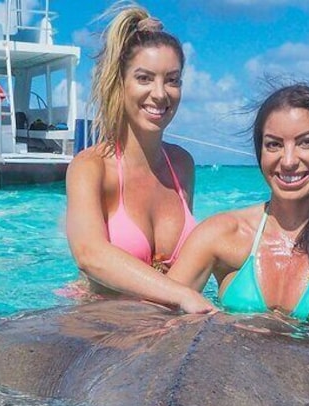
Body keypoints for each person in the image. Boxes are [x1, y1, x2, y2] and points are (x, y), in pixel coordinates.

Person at [167, 83, 309, 327]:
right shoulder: (220, 233)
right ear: (260, 152)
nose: (288, 161)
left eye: (306, 142)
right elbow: (156, 315)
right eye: (274, 144)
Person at [64, 3, 215, 314]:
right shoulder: (90, 167)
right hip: (98, 322)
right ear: (121, 83)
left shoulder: (182, 165)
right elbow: (89, 254)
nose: (160, 94)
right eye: (145, 78)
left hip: (162, 324)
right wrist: (182, 296)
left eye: (172, 80)